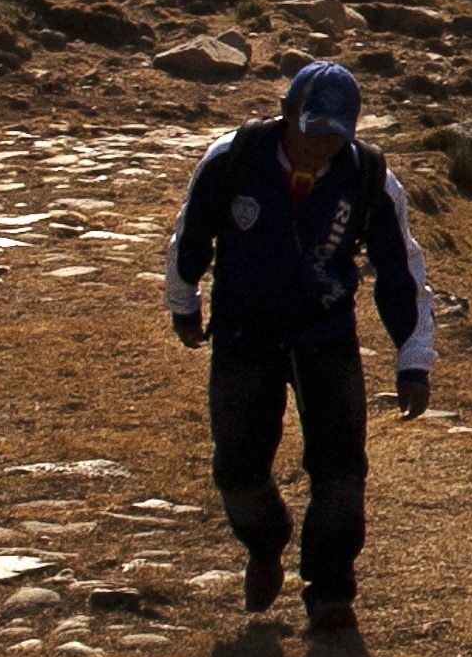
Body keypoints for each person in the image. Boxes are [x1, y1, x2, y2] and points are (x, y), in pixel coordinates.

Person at [165, 57, 435, 626]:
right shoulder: (232, 160)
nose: (321, 148)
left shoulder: (369, 176)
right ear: (287, 112)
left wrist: (414, 359)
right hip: (244, 334)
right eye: (312, 132)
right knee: (238, 470)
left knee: (340, 471)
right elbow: (191, 234)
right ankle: (266, 542)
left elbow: (400, 268)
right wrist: (184, 304)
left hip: (325, 334)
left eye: (335, 137)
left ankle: (331, 590)